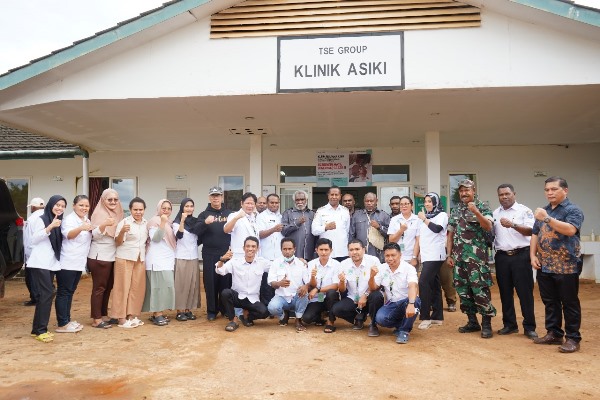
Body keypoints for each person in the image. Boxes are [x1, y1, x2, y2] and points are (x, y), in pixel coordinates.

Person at [531, 176, 584, 353]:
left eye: (554, 189)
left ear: (565, 190)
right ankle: (553, 333)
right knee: (550, 301)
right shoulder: (544, 210)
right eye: (547, 190)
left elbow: (570, 229)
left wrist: (546, 218)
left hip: (566, 264)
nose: (549, 192)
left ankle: (573, 338)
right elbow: (535, 234)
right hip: (544, 264)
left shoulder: (572, 209)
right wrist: (532, 255)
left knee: (569, 302)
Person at [447, 179, 496, 339]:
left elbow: (488, 226)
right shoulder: (456, 209)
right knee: (463, 291)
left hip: (476, 260)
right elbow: (451, 233)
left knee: (479, 290)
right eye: (461, 191)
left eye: (467, 190)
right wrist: (449, 254)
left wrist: (476, 212)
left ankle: (486, 324)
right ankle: (472, 321)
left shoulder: (483, 206)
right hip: (459, 259)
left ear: (474, 190)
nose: (464, 193)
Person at [493, 184, 537, 339]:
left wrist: (513, 225)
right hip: (502, 257)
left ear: (514, 194)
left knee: (525, 292)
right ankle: (510, 325)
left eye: (507, 194)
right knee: (505, 293)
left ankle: (529, 327)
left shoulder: (524, 211)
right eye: (501, 194)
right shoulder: (495, 213)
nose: (504, 197)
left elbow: (532, 231)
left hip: (521, 255)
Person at [28, 195, 67, 342]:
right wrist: (50, 227)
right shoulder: (42, 219)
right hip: (40, 262)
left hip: (50, 263)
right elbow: (33, 239)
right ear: (51, 205)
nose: (59, 208)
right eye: (57, 205)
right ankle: (40, 330)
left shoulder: (58, 221)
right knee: (47, 294)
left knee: (46, 294)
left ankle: (36, 329)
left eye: (62, 206)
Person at [326, 239, 382, 335]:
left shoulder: (373, 261)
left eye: (357, 249)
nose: (354, 252)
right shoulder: (344, 264)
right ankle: (358, 318)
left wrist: (365, 295)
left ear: (363, 250)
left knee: (377, 296)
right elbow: (342, 289)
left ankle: (373, 325)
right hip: (353, 298)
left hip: (369, 297)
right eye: (351, 250)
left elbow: (378, 285)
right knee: (336, 310)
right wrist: (342, 281)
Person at [216, 236, 271, 332]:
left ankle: (247, 316)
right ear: (243, 248)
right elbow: (220, 271)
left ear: (258, 249)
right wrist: (222, 259)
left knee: (265, 312)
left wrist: (298, 260)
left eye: (253, 246)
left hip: (252, 299)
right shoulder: (235, 262)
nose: (250, 249)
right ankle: (233, 320)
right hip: (238, 297)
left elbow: (277, 266)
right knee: (225, 293)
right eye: (248, 246)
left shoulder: (262, 262)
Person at [194, 186, 233, 321]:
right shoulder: (204, 214)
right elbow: (196, 231)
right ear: (209, 198)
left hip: (227, 254)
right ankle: (212, 310)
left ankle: (225, 309)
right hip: (209, 254)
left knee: (225, 283)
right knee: (210, 283)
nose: (215, 198)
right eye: (213, 196)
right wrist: (205, 223)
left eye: (218, 195)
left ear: (222, 197)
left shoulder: (229, 214)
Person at [369, 242, 420, 343]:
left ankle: (404, 331)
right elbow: (373, 287)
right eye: (387, 255)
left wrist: (411, 303)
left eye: (393, 255)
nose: (390, 258)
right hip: (392, 303)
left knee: (416, 302)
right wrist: (371, 276)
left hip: (406, 301)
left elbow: (412, 286)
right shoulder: (382, 268)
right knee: (380, 319)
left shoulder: (409, 268)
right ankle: (401, 324)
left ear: (400, 255)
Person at [56, 195, 93, 333]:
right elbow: (69, 235)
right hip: (67, 262)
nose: (84, 208)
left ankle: (67, 320)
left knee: (70, 292)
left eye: (86, 206)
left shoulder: (86, 220)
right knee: (63, 292)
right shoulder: (69, 220)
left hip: (78, 262)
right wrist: (82, 228)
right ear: (74, 206)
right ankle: (62, 323)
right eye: (81, 205)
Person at [87, 188, 124, 329]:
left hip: (112, 256)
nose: (113, 202)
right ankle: (96, 319)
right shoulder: (99, 214)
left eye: (115, 199)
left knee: (108, 287)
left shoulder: (118, 213)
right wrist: (104, 224)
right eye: (109, 199)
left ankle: (103, 314)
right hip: (99, 256)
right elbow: (94, 235)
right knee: (99, 288)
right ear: (103, 200)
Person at [112, 197, 148, 329]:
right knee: (122, 288)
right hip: (124, 258)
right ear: (130, 210)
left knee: (136, 288)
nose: (138, 212)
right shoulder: (124, 222)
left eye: (141, 209)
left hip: (139, 259)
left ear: (144, 210)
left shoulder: (146, 223)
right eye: (135, 209)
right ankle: (121, 318)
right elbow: (117, 242)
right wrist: (122, 231)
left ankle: (131, 316)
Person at [414, 192, 448, 330]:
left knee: (423, 282)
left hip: (436, 255)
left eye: (430, 201)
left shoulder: (442, 215)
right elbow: (423, 237)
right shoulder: (425, 216)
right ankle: (437, 317)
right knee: (434, 284)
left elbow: (436, 229)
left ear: (436, 203)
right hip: (427, 255)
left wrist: (423, 219)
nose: (427, 204)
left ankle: (425, 317)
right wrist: (420, 253)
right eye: (425, 201)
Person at [143, 199, 176, 327]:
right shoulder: (154, 221)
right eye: (164, 208)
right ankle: (157, 314)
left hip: (167, 260)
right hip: (156, 260)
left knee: (165, 287)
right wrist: (162, 222)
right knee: (157, 288)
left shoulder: (170, 223)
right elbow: (156, 239)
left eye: (168, 208)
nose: (166, 211)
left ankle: (157, 312)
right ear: (158, 209)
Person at [267, 238, 310, 332]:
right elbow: (271, 282)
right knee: (272, 308)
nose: (287, 251)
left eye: (290, 249)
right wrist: (279, 283)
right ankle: (283, 316)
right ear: (281, 249)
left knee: (304, 292)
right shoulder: (275, 263)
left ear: (294, 249)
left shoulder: (301, 263)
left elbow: (308, 282)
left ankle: (298, 320)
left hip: (297, 297)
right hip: (281, 297)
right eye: (284, 249)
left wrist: (305, 286)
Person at [302, 238, 341, 329]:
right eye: (321, 250)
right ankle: (320, 317)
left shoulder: (337, 265)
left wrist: (318, 289)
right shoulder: (311, 264)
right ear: (316, 250)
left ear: (331, 250)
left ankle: (330, 321)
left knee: (331, 293)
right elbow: (311, 285)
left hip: (330, 298)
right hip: (317, 298)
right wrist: (312, 277)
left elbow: (336, 286)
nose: (323, 253)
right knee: (307, 318)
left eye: (326, 250)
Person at [173, 197, 199, 322]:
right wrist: (182, 221)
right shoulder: (176, 222)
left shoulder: (195, 221)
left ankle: (188, 309)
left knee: (192, 284)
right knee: (181, 285)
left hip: (193, 257)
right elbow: (179, 235)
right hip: (181, 257)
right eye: (186, 206)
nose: (189, 208)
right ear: (182, 208)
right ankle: (180, 310)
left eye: (191, 206)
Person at [257, 193, 284, 306]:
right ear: (267, 203)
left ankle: (277, 307)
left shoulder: (282, 217)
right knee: (266, 284)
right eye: (271, 202)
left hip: (279, 257)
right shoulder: (261, 217)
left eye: (276, 202)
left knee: (278, 283)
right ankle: (267, 309)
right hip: (266, 256)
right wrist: (273, 229)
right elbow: (260, 234)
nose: (274, 204)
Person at [312, 186, 350, 262]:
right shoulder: (321, 211)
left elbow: (347, 231)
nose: (334, 197)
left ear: (340, 196)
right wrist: (325, 228)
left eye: (336, 195)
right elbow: (314, 231)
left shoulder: (345, 211)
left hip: (342, 252)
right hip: (326, 252)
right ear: (328, 196)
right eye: (332, 195)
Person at [349, 192, 390, 262]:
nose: (369, 203)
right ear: (364, 202)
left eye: (371, 201)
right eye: (367, 201)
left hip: (378, 253)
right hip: (360, 253)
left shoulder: (384, 215)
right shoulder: (357, 215)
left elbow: (389, 235)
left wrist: (379, 227)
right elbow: (351, 234)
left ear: (376, 201)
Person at [281, 190, 316, 261]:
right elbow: (284, 231)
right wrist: (297, 223)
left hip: (310, 253)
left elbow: (316, 232)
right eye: (297, 200)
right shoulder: (288, 213)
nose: (300, 202)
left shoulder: (312, 214)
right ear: (294, 201)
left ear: (306, 200)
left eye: (302, 199)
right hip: (294, 254)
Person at [23, 197, 45, 306]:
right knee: (42, 277)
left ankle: (36, 298)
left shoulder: (32, 218)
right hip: (44, 253)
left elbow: (28, 238)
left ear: (33, 207)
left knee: (31, 278)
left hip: (32, 252)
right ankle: (43, 296)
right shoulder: (47, 216)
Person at [224, 192, 259, 257]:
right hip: (239, 255)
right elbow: (226, 230)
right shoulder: (234, 215)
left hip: (253, 255)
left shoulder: (254, 217)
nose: (250, 206)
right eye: (247, 203)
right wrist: (236, 218)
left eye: (252, 204)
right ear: (241, 203)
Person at [387, 196, 420, 267]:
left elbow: (418, 240)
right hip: (396, 257)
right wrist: (401, 230)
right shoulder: (394, 219)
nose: (403, 206)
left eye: (406, 204)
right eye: (401, 204)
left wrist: (414, 257)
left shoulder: (417, 220)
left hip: (411, 257)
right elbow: (391, 240)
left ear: (412, 206)